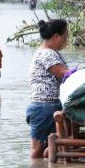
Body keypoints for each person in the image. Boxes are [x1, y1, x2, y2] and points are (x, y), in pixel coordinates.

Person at [26, 19, 70, 159]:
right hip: (44, 107)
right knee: (38, 149)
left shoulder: (49, 52)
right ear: (56, 36)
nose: (66, 41)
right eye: (65, 37)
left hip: (46, 106)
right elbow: (64, 74)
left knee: (47, 147)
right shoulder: (47, 54)